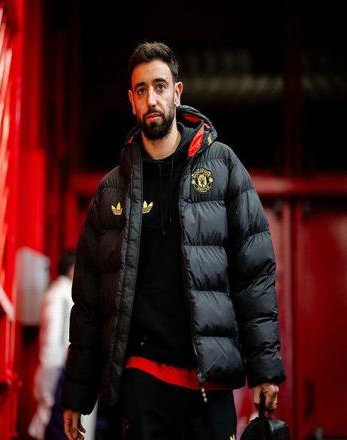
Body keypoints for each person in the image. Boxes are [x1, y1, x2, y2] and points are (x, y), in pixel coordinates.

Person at [61, 42, 286, 440]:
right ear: (131, 100)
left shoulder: (222, 166)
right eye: (142, 89)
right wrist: (77, 394)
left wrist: (264, 369)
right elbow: (89, 302)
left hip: (209, 384)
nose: (152, 99)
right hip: (142, 381)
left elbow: (254, 274)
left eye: (160, 86)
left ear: (177, 93)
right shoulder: (111, 191)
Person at [29, 251, 97, 440]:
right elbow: (54, 338)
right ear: (72, 269)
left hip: (58, 368)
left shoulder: (57, 293)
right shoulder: (63, 295)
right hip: (61, 369)